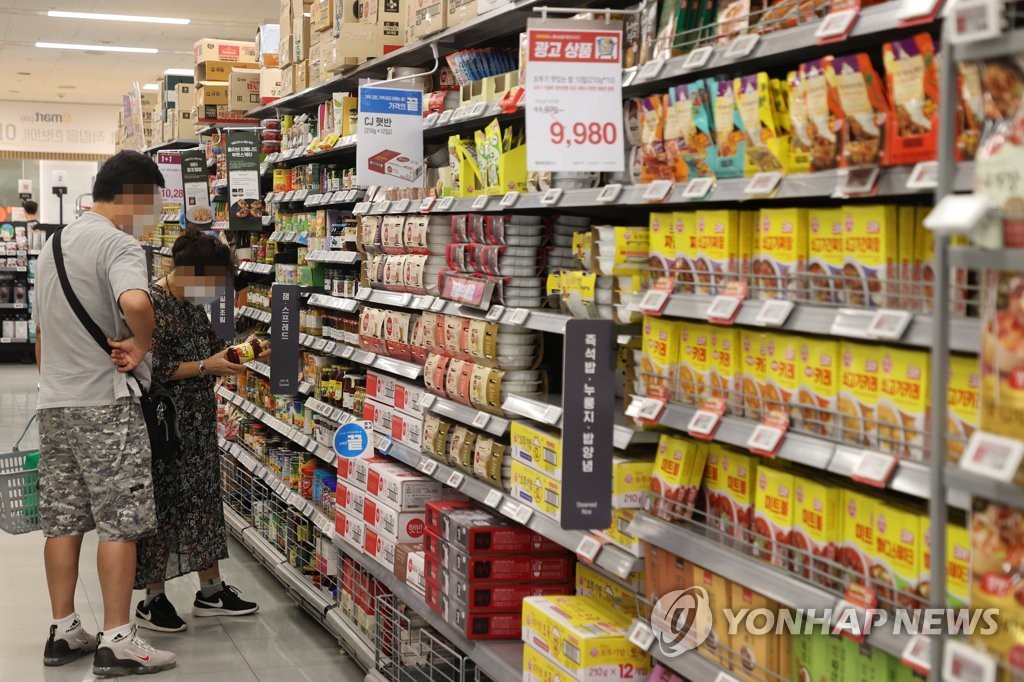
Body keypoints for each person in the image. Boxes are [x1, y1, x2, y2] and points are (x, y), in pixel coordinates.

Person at [34, 150, 176, 676]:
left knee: (63, 520)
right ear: (135, 195)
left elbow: (42, 335)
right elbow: (136, 303)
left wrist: (54, 383)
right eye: (154, 202)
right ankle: (118, 639)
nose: (155, 213)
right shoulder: (119, 243)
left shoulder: (53, 245)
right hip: (105, 405)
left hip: (56, 403)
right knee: (120, 524)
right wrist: (141, 346)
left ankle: (63, 630)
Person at [132, 230, 261, 633]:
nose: (214, 291)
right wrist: (207, 367)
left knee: (204, 501)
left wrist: (237, 354)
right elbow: (150, 369)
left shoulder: (190, 305)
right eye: (211, 282)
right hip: (165, 426)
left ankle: (211, 591)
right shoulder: (151, 304)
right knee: (163, 505)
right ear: (188, 271)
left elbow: (207, 352)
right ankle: (152, 600)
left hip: (198, 421)